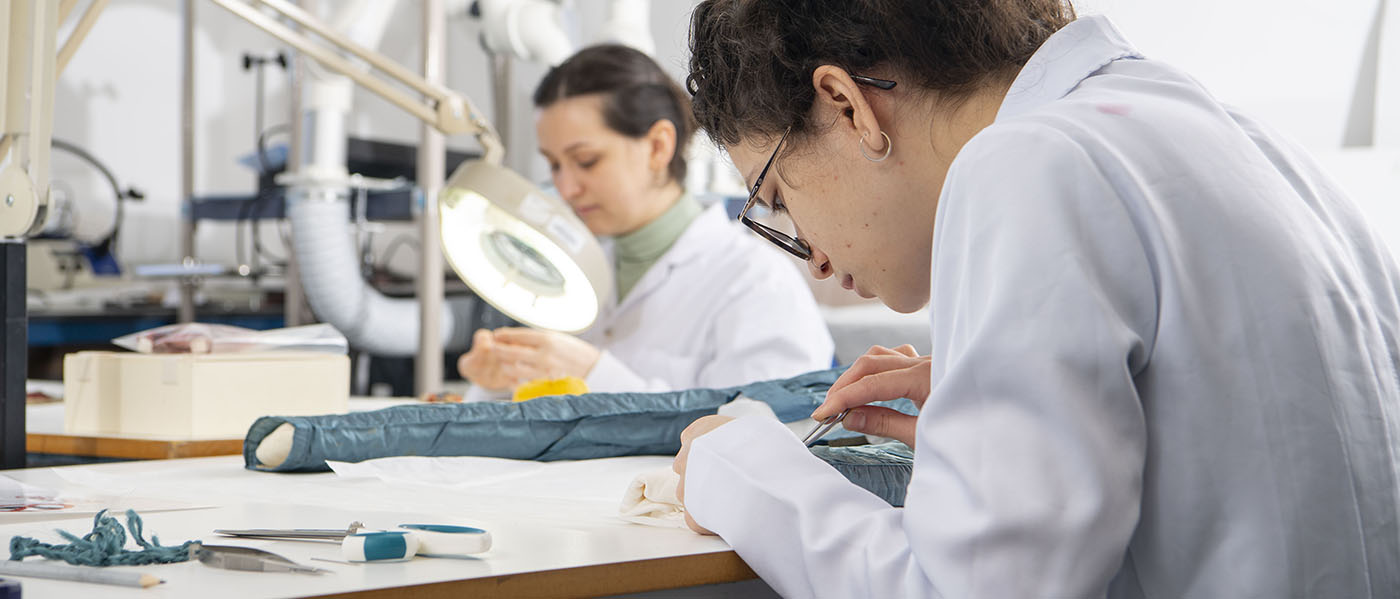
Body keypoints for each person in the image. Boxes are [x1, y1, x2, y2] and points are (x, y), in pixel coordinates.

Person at [671, 2, 1400, 598]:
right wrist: (999, 426)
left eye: (775, 196)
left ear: (845, 104)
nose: (817, 257)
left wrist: (742, 467)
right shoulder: (1238, 136)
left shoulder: (1022, 162)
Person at [459, 44, 833, 397]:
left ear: (658, 146)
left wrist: (595, 375)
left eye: (586, 161)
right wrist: (496, 383)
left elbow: (768, 432)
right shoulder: (572, 278)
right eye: (555, 164)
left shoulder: (754, 282)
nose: (566, 187)